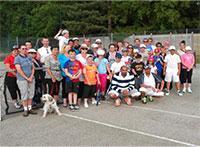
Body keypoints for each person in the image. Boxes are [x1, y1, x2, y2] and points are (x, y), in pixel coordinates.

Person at [14, 44, 37, 117]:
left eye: (25, 49)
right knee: (24, 95)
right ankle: (25, 109)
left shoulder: (29, 57)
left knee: (31, 94)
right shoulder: (17, 58)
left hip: (31, 78)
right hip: (22, 80)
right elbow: (19, 69)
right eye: (23, 49)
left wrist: (31, 76)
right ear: (19, 50)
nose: (24, 50)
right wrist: (27, 78)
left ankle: (30, 108)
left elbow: (33, 67)